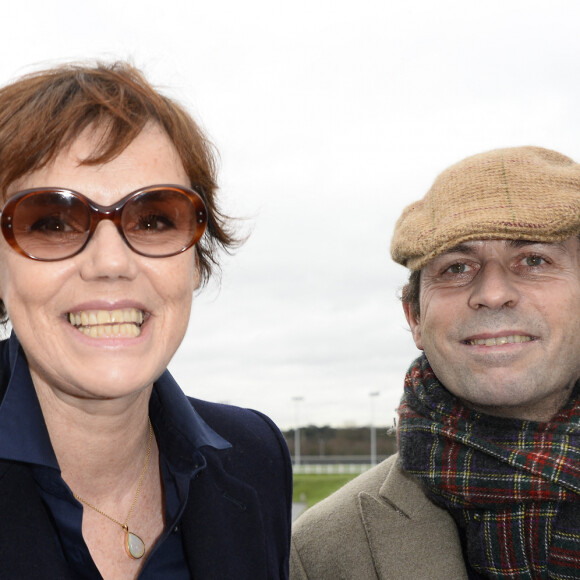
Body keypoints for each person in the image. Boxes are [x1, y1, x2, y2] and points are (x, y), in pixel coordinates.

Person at [0, 61, 292, 579]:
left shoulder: (256, 456)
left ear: (196, 260)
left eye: (154, 218)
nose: (111, 263)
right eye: (50, 221)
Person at [291, 146, 580, 579]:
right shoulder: (316, 555)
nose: (493, 292)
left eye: (534, 260)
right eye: (457, 267)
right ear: (416, 318)